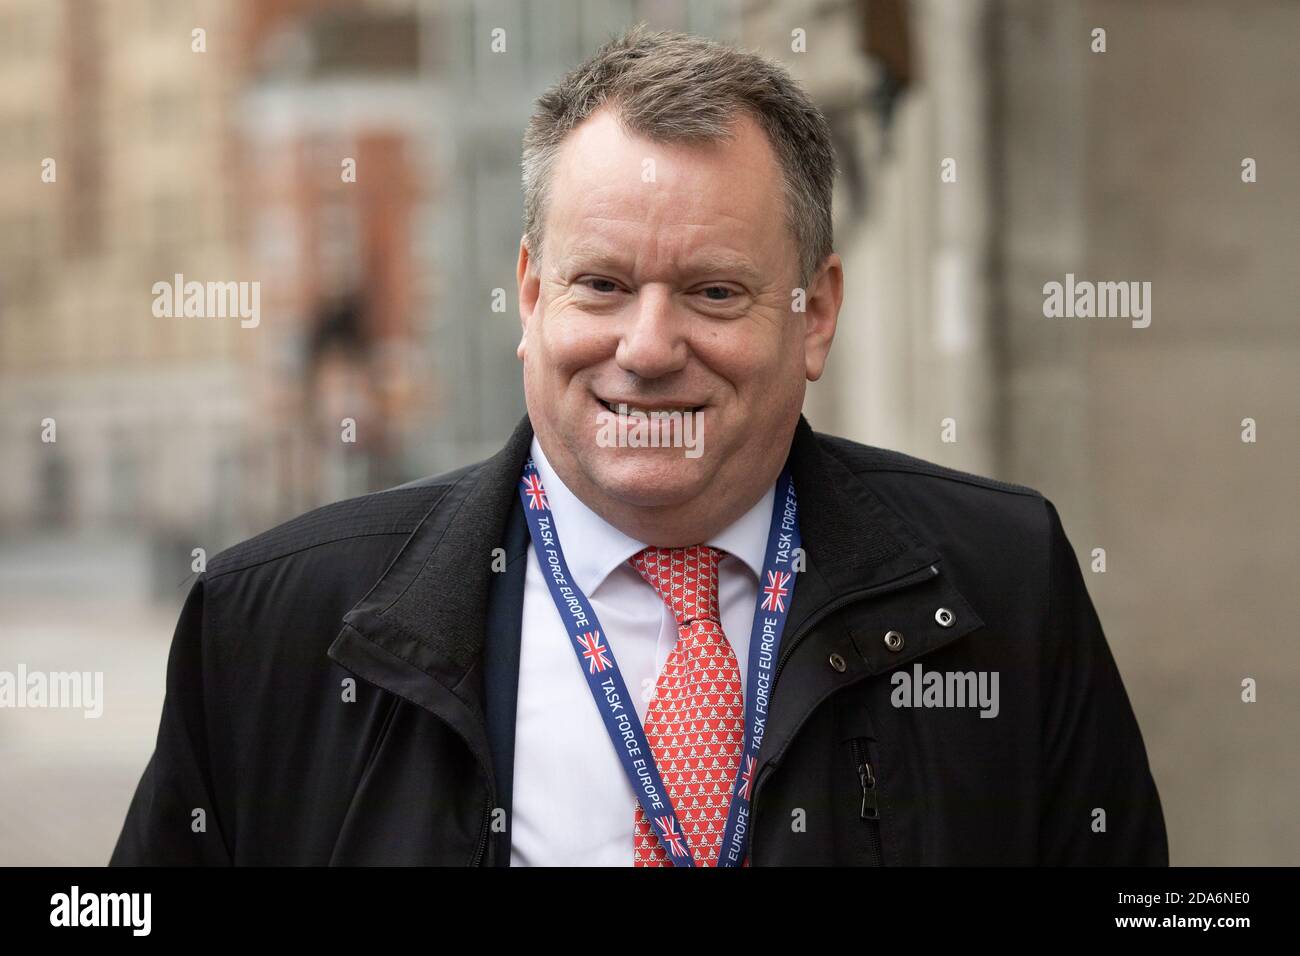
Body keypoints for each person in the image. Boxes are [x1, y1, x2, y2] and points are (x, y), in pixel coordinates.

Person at [110, 25, 1167, 866]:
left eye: (713, 291)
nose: (649, 347)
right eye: (602, 285)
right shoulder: (276, 627)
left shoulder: (1001, 583)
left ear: (814, 315)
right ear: (530, 295)